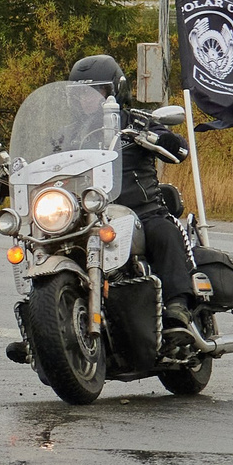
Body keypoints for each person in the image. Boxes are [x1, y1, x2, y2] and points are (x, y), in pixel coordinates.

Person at [71, 53, 198, 322]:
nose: (87, 99)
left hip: (140, 212)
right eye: (81, 94)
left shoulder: (137, 122)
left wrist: (161, 139)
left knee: (164, 232)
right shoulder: (70, 135)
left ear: (115, 91)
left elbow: (179, 149)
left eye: (95, 92)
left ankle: (178, 305)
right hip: (86, 216)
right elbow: (45, 160)